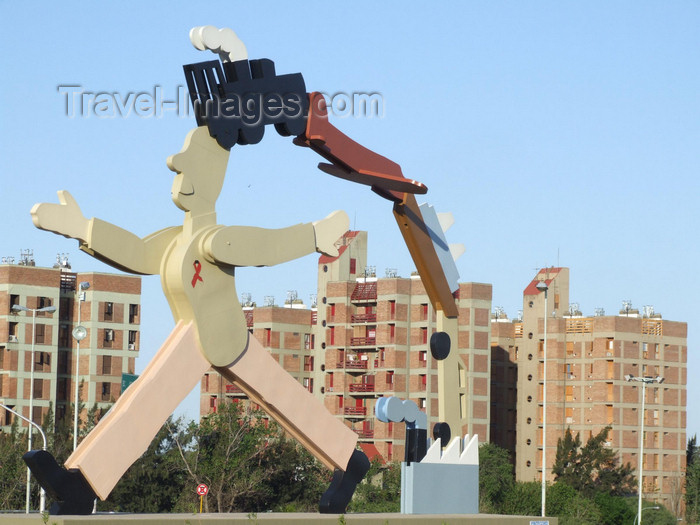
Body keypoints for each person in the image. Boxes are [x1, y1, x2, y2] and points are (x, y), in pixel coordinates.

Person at [25, 125, 369, 514]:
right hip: (204, 334)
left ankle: (81, 483)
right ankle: (350, 458)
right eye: (178, 173)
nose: (179, 180)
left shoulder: (217, 240)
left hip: (218, 334)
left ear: (213, 180)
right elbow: (137, 253)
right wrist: (82, 228)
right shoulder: (178, 239)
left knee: (150, 402)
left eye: (189, 172)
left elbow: (267, 246)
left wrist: (314, 235)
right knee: (278, 402)